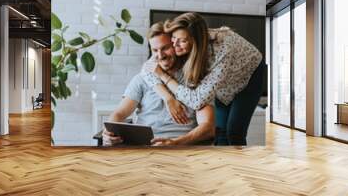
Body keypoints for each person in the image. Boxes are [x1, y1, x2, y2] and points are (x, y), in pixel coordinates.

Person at [142, 12, 265, 146]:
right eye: (173, 38)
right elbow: (147, 69)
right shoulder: (177, 43)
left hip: (249, 75)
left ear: (196, 42)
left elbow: (196, 101)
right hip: (223, 80)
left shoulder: (223, 50)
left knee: (234, 131)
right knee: (221, 130)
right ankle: (222, 164)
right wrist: (168, 98)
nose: (175, 45)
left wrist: (164, 77)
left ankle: (237, 164)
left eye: (182, 41)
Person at [102, 22, 215, 146]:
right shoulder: (141, 79)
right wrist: (108, 132)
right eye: (155, 50)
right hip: (146, 148)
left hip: (181, 148)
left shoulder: (196, 79)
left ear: (175, 44)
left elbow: (208, 128)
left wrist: (175, 143)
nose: (160, 56)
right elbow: (119, 113)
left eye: (165, 48)